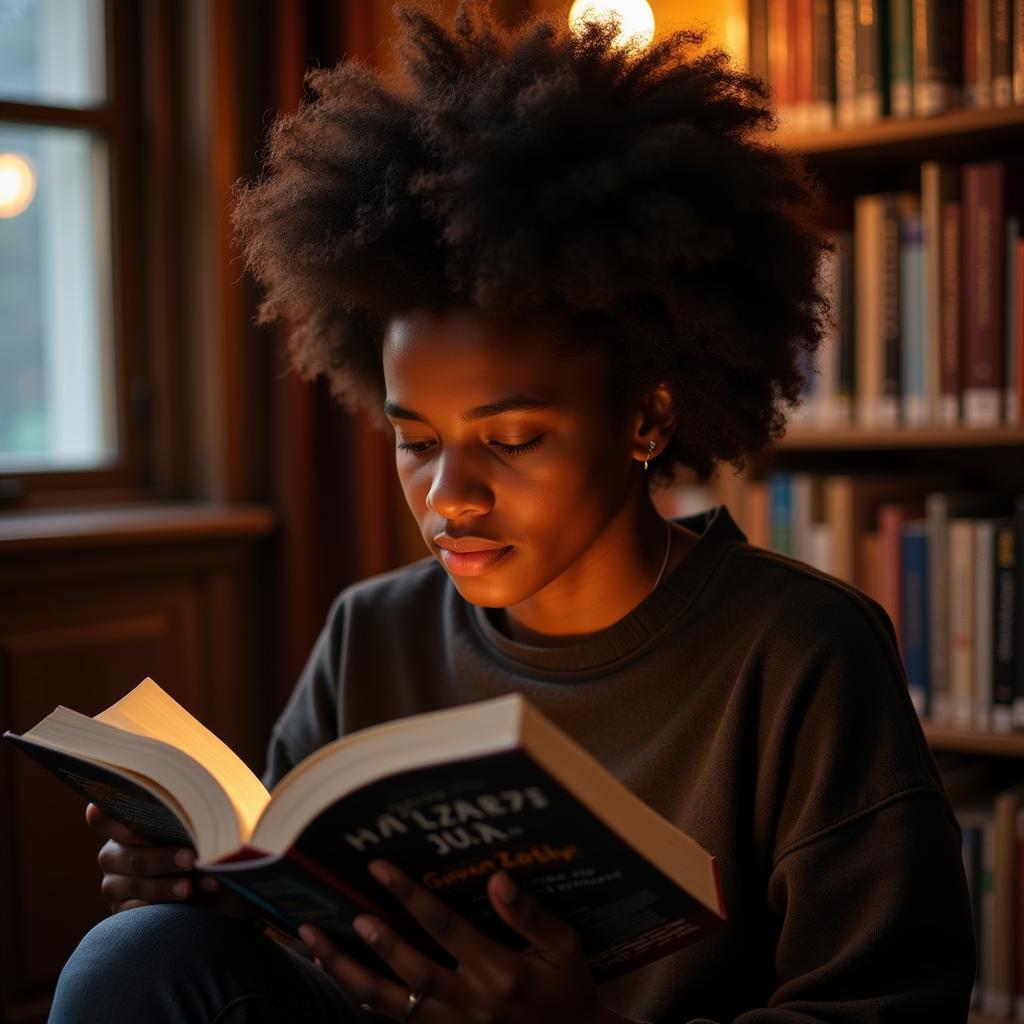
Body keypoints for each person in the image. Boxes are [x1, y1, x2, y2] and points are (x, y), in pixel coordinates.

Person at [49, 1, 975, 1022]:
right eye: (415, 439)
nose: (448, 498)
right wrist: (197, 892)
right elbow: (301, 927)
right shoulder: (374, 631)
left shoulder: (800, 652)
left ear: (645, 417)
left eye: (515, 438)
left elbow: (890, 1005)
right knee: (135, 953)